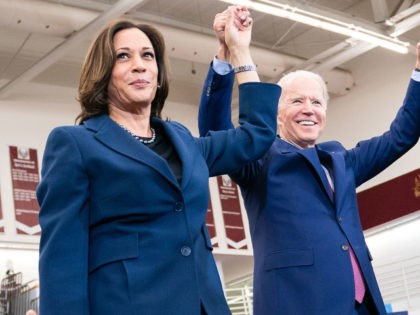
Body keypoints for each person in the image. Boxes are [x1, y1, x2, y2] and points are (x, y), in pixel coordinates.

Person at [36, 6, 281, 315]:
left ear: (159, 73)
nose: (139, 66)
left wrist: (238, 50)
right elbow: (62, 258)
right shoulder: (75, 144)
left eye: (147, 56)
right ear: (102, 72)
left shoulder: (183, 141)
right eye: (123, 56)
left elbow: (256, 135)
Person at [198, 12, 420, 315]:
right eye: (297, 101)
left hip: (362, 306)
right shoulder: (258, 159)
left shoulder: (341, 160)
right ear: (275, 114)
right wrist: (225, 55)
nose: (309, 110)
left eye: (316, 102)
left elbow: (401, 136)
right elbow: (215, 130)